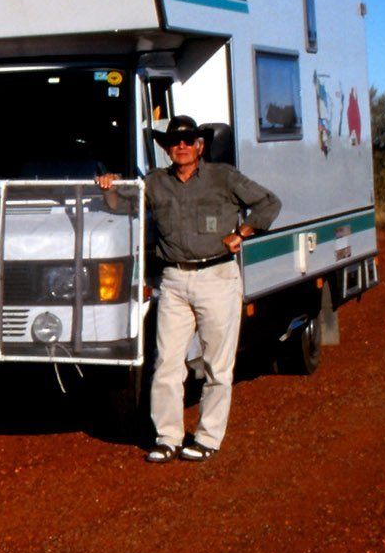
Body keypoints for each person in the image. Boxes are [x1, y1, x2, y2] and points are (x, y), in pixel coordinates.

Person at [97, 116, 280, 464]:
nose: (181, 146)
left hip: (218, 277)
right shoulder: (154, 183)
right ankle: (168, 437)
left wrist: (241, 234)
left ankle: (208, 438)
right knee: (166, 363)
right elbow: (123, 204)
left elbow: (269, 203)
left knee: (217, 365)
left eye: (188, 140)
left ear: (200, 145)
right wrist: (108, 189)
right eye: (174, 141)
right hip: (174, 281)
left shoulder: (222, 177)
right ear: (166, 149)